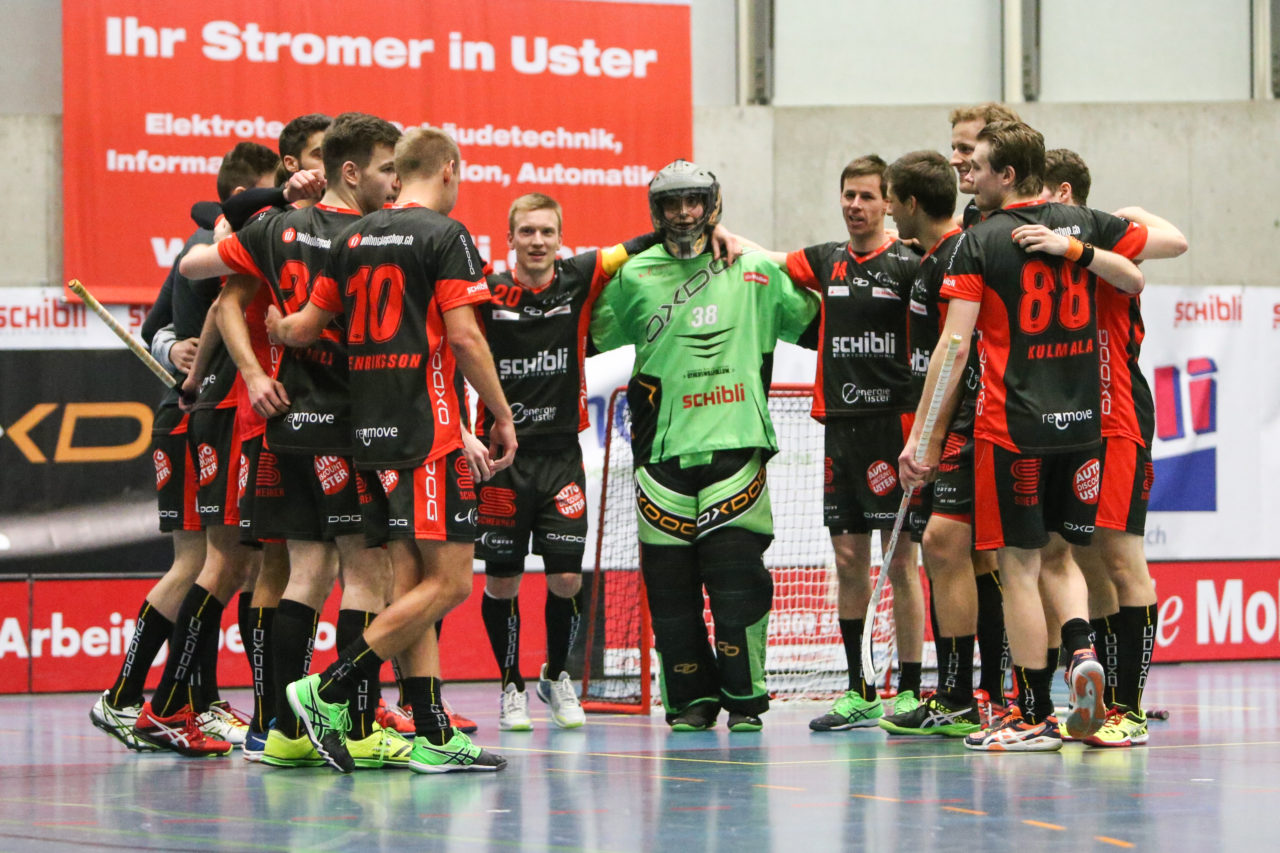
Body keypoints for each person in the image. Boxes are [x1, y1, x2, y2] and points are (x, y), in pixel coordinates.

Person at [900, 120, 1154, 752]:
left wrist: (925, 439)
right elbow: (1142, 268)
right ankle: (1081, 648)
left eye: (976, 166)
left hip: (1012, 429)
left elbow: (954, 347)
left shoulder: (978, 242)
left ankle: (1034, 712)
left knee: (1018, 567)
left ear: (1006, 175)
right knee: (1063, 555)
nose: (965, 174)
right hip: (1084, 427)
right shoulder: (1083, 222)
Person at [271, 127, 515, 773]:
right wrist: (499, 412)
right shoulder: (445, 236)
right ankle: (327, 689)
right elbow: (465, 338)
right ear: (450, 170)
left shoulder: (352, 235)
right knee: (453, 581)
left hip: (368, 435)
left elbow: (303, 326)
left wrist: (269, 327)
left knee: (410, 584)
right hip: (424, 432)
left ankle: (433, 734)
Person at [179, 112, 409, 769]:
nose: (394, 182)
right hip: (348, 425)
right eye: (387, 168)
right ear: (350, 171)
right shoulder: (376, 235)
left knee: (308, 570)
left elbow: (201, 267)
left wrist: (256, 370)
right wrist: (273, 345)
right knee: (369, 571)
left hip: (290, 426)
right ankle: (359, 728)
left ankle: (282, 729)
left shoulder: (276, 228)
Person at [589, 159, 820, 732]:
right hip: (660, 458)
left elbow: (827, 313)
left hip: (737, 448)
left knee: (737, 585)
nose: (685, 213)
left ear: (713, 203)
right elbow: (578, 332)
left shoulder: (756, 267)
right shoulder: (632, 276)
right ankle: (690, 701)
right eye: (672, 204)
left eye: (695, 201)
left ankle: (745, 702)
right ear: (655, 211)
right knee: (670, 593)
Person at [749, 156, 926, 728]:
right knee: (849, 559)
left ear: (888, 204)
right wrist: (722, 239)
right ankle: (859, 689)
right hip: (841, 430)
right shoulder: (829, 260)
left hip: (893, 430)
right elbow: (774, 259)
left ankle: (911, 690)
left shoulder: (910, 264)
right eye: (848, 195)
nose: (855, 206)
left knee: (901, 560)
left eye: (867, 197)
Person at [475, 194, 661, 731]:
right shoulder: (486, 291)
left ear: (560, 239)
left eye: (547, 233)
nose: (537, 242)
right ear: (509, 238)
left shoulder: (578, 277)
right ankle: (509, 685)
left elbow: (638, 246)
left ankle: (555, 675)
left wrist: (709, 235)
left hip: (561, 458)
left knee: (565, 581)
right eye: (527, 232)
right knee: (503, 582)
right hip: (501, 459)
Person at [129, 142, 283, 756]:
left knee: (230, 565)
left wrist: (175, 349)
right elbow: (168, 323)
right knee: (218, 565)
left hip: (213, 410)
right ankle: (150, 700)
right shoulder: (218, 246)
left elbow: (162, 325)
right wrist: (178, 355)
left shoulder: (237, 237)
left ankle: (193, 701)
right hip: (207, 413)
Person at [1040, 148, 1187, 747]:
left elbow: (1175, 242)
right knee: (1087, 557)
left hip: (1118, 414)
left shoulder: (1103, 234)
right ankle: (1101, 698)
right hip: (1068, 420)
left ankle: (1131, 705)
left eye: (1046, 196)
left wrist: (1116, 221)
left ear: (1068, 193)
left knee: (1123, 556)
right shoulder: (1034, 248)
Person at [873, 150, 986, 737]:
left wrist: (929, 436)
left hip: (964, 423)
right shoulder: (934, 257)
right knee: (945, 550)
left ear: (911, 204)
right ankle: (957, 692)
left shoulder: (959, 259)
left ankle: (962, 693)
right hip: (940, 423)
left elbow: (956, 352)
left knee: (946, 545)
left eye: (890, 197)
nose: (886, 209)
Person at [946, 102, 1024, 713]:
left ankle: (1041, 699)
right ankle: (988, 693)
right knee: (972, 548)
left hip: (1030, 412)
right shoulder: (969, 228)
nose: (957, 159)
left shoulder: (1048, 221)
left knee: (1039, 558)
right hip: (982, 411)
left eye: (967, 148)